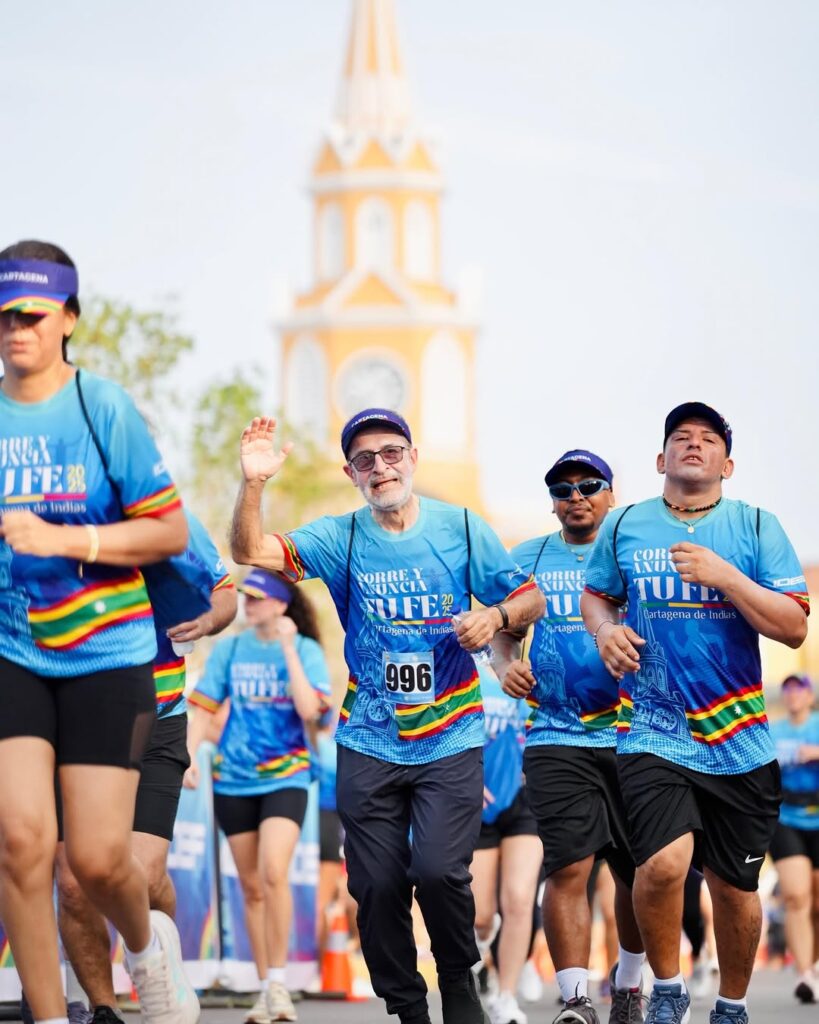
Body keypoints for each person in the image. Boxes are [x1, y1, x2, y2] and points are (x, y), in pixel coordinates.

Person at [230, 409, 545, 1024]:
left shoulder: (460, 527)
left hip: (450, 734)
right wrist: (254, 484)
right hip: (369, 739)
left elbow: (528, 597)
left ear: (413, 458)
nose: (381, 467)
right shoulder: (341, 537)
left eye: (392, 452)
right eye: (365, 459)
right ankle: (407, 1007)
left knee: (438, 871)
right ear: (352, 473)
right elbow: (249, 550)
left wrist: (495, 618)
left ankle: (457, 980)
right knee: (374, 885)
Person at [0, 240, 199, 1024]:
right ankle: (53, 1017)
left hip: (107, 653)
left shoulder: (101, 407)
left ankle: (148, 953)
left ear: (68, 319)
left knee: (96, 858)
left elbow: (169, 531)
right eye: (3, 316)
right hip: (13, 648)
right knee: (21, 841)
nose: (15, 329)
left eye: (31, 315)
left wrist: (65, 538)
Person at [580, 402, 809, 1024]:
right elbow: (596, 597)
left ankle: (731, 1005)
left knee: (734, 889)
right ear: (661, 459)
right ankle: (668, 990)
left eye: (709, 439)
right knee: (661, 866)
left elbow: (792, 627)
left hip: (739, 740)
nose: (694, 444)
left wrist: (726, 578)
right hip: (653, 729)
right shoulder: (624, 524)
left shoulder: (756, 527)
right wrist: (604, 631)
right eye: (681, 436)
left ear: (726, 465)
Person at [51, 511, 238, 1024]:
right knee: (73, 881)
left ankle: (159, 968)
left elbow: (225, 592)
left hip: (159, 717)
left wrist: (205, 620)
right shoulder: (50, 517)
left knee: (145, 873)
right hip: (77, 719)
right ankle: (103, 1009)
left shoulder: (171, 518)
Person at [498, 450, 645, 1024]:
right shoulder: (527, 557)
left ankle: (628, 986)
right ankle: (576, 1000)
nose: (575, 496)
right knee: (568, 869)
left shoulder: (635, 552)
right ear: (552, 503)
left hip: (636, 735)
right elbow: (503, 628)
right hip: (555, 734)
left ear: (611, 493)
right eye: (562, 489)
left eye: (588, 485)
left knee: (637, 872)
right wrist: (504, 663)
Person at [185, 569, 331, 1023]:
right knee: (250, 886)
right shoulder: (230, 649)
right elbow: (202, 708)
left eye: (257, 598)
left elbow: (311, 710)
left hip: (287, 775)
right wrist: (189, 758)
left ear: (280, 605)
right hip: (233, 778)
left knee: (272, 871)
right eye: (245, 598)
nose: (248, 605)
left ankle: (280, 985)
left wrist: (288, 648)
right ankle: (266, 988)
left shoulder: (305, 650)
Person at [470, 663, 542, 1024]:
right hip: (477, 800)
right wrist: (464, 776)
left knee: (519, 898)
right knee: (481, 916)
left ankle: (506, 997)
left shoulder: (530, 665)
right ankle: (483, 946)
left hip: (523, 799)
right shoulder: (465, 664)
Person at [769, 673, 819, 1004]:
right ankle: (804, 975)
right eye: (787, 689)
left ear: (810, 696)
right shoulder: (773, 730)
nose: (792, 694)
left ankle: (814, 965)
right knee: (797, 897)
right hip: (785, 817)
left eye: (798, 689)